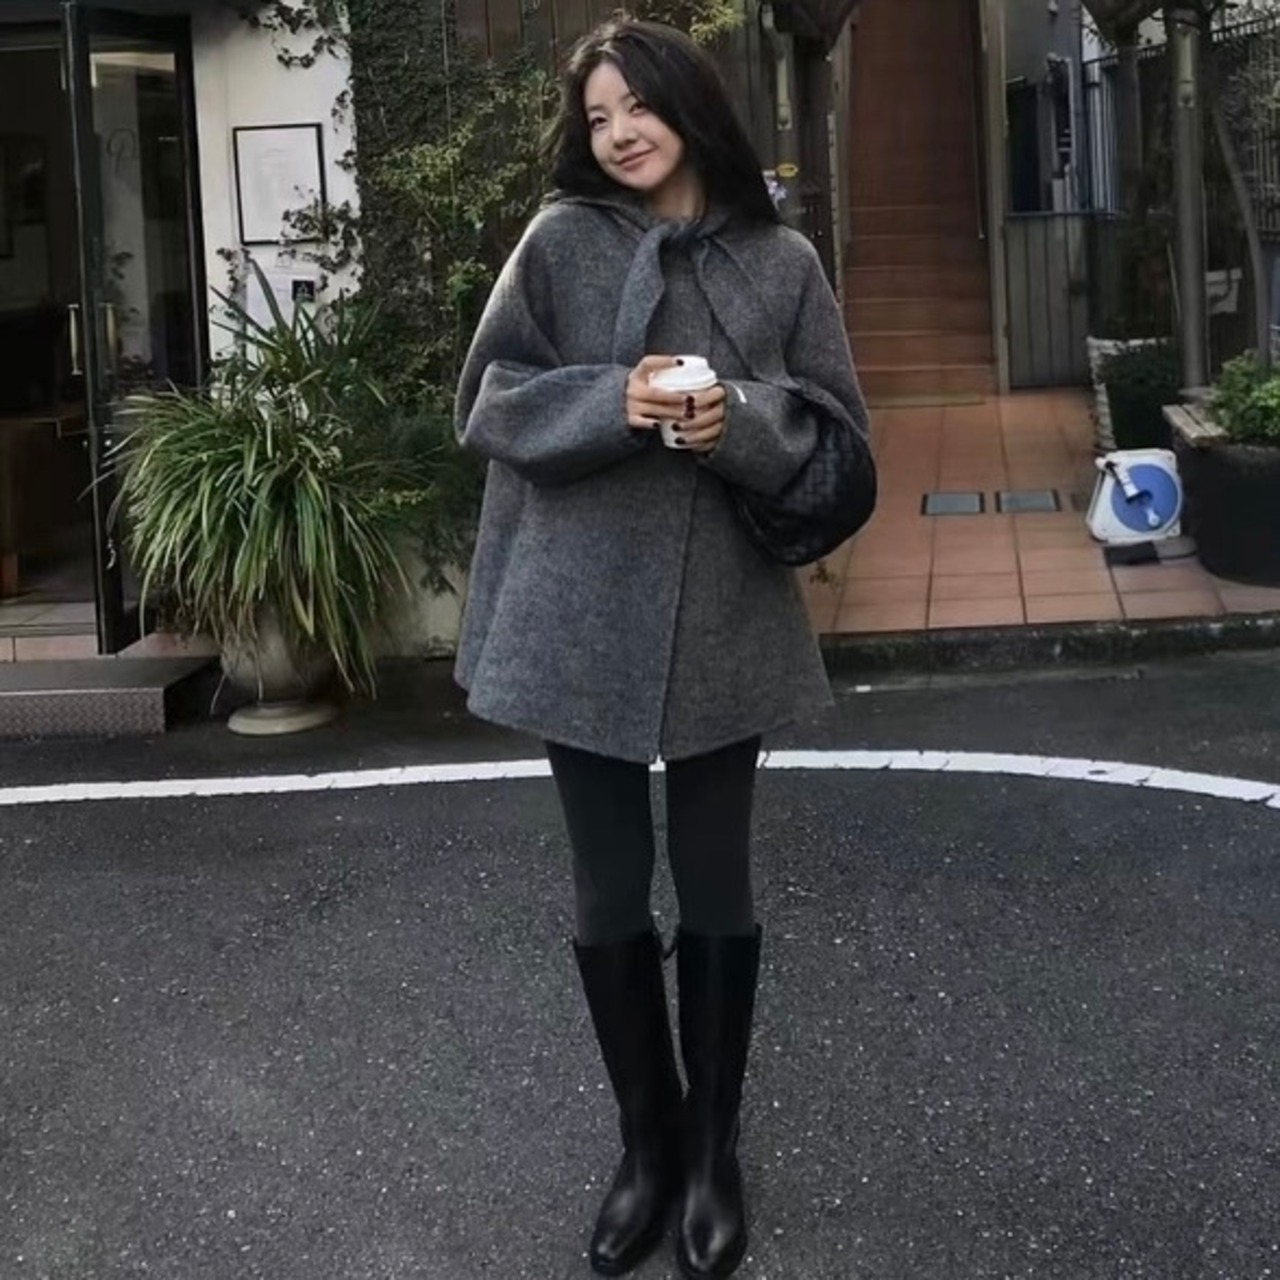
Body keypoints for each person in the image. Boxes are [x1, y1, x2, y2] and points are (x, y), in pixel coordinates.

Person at [453, 17, 869, 1277]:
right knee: (605, 885)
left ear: (689, 107)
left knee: (716, 880)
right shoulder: (556, 242)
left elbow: (835, 428)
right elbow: (488, 398)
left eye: (637, 106)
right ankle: (646, 1141)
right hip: (570, 605)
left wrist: (731, 419)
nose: (618, 133)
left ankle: (710, 1155)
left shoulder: (780, 259)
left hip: (724, 610)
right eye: (596, 116)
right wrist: (613, 398)